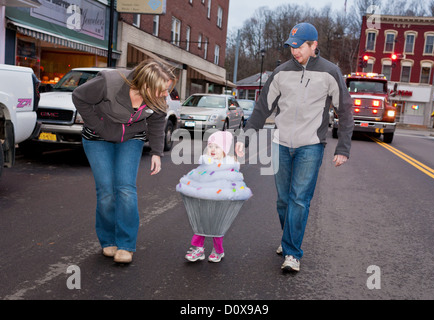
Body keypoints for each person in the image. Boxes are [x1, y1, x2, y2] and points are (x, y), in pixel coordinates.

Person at [235, 22, 354, 272]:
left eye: (300, 46)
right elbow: (261, 108)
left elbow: (344, 111)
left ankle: (292, 252)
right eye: (292, 46)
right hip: (281, 143)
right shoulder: (280, 73)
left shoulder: (330, 73)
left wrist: (343, 148)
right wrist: (244, 138)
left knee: (299, 199)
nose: (295, 51)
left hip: (311, 145)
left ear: (314, 46)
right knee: (283, 201)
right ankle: (288, 239)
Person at [72, 60, 176, 264]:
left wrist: (156, 152)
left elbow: (157, 121)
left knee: (126, 188)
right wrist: (99, 127)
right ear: (147, 85)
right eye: (163, 90)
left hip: (131, 139)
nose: (166, 94)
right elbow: (79, 97)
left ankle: (126, 245)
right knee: (106, 192)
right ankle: (108, 240)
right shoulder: (108, 83)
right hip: (97, 138)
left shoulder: (158, 101)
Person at [176, 131, 252, 263]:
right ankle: (198, 249)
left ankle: (218, 250)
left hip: (220, 203)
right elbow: (196, 178)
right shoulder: (205, 164)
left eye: (217, 147)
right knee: (201, 223)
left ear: (224, 150)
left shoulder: (228, 167)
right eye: (210, 146)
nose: (212, 150)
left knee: (217, 226)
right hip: (205, 200)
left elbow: (234, 183)